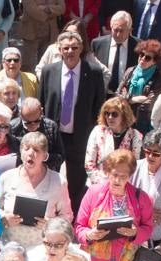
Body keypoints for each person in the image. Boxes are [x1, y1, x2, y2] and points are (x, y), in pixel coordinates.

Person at [38, 31, 107, 214]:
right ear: (59, 50)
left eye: (74, 47)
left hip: (80, 137)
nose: (70, 51)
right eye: (66, 48)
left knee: (76, 182)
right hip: (54, 136)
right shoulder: (49, 71)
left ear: (81, 48)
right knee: (50, 178)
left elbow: (99, 108)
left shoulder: (93, 72)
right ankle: (50, 213)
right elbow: (42, 104)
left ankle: (75, 217)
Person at [73, 148, 153, 261]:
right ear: (108, 172)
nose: (117, 180)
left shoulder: (141, 198)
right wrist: (90, 234)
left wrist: (135, 233)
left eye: (123, 176)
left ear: (130, 176)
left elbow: (148, 228)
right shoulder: (94, 192)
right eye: (114, 175)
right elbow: (79, 226)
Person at [116, 40, 161, 133]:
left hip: (142, 122)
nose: (142, 58)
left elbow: (149, 104)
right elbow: (118, 94)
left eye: (147, 58)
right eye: (141, 55)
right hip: (123, 118)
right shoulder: (130, 70)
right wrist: (133, 99)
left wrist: (126, 99)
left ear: (154, 61)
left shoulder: (160, 78)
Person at [92, 11, 137, 96]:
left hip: (125, 98)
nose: (118, 34)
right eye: (115, 30)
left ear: (130, 30)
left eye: (121, 31)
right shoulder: (97, 44)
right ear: (111, 27)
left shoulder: (138, 46)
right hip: (102, 95)